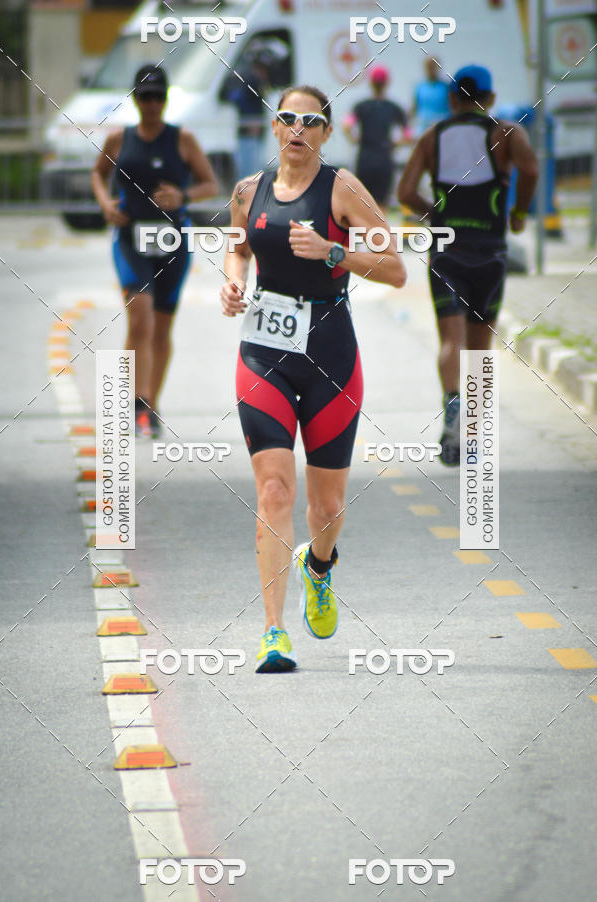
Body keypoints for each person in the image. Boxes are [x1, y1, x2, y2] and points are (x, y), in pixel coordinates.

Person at [220, 84, 406, 673]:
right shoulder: (247, 191)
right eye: (287, 118)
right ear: (274, 128)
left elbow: (396, 269)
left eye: (311, 120)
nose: (297, 128)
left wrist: (332, 253)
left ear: (326, 132)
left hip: (332, 356)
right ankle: (273, 631)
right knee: (274, 489)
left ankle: (318, 566)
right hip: (264, 354)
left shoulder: (343, 188)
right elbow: (237, 247)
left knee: (326, 508)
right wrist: (231, 281)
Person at [398, 65, 538, 465]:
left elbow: (405, 191)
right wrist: (520, 213)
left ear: (451, 100)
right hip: (491, 253)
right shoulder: (507, 133)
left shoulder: (432, 137)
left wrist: (435, 216)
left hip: (447, 253)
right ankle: (475, 434)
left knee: (450, 342)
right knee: (481, 349)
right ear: (491, 99)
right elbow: (530, 169)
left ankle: (452, 408)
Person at [91, 64, 219, 437]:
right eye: (145, 97)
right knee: (139, 319)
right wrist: (105, 203)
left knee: (161, 328)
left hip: (172, 242)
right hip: (131, 239)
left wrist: (183, 196)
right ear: (134, 99)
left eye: (158, 97)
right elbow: (98, 173)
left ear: (166, 99)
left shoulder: (183, 139)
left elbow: (211, 184)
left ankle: (149, 405)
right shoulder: (118, 139)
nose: (152, 104)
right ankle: (133, 401)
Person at [343, 66, 409, 214]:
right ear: (387, 83)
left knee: (363, 203)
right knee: (382, 206)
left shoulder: (361, 106)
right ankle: (380, 235)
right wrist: (396, 144)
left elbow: (346, 125)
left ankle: (364, 235)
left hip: (365, 157)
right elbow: (408, 135)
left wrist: (355, 139)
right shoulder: (394, 108)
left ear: (371, 83)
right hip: (384, 158)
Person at [222, 56, 270, 180]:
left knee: (252, 166)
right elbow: (240, 101)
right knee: (249, 167)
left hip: (252, 132)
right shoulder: (251, 82)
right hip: (249, 132)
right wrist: (252, 121)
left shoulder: (254, 82)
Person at [411, 57, 450, 135]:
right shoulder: (420, 87)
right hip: (423, 130)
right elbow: (414, 108)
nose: (430, 69)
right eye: (428, 67)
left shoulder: (446, 87)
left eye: (433, 66)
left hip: (442, 130)